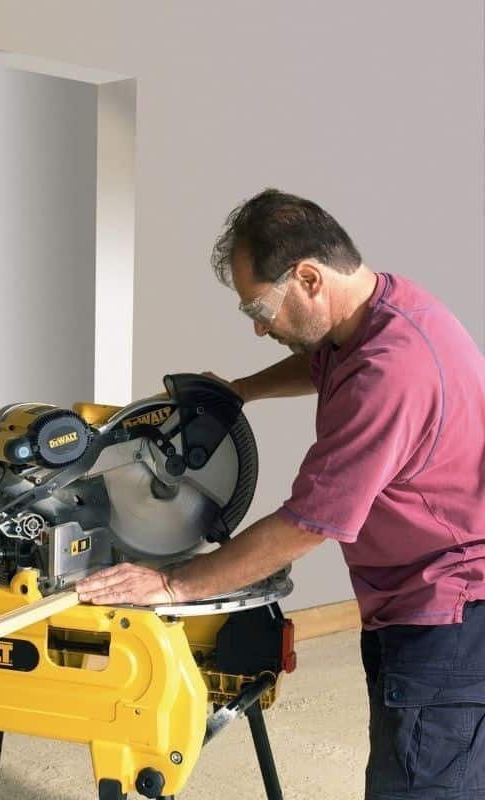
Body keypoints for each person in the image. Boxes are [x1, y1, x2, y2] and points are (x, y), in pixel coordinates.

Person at [76, 189, 485, 798]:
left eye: (260, 308)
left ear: (309, 278)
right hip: (423, 597)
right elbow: (321, 362)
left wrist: (175, 584)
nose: (260, 327)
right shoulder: (382, 311)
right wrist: (241, 390)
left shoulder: (389, 374)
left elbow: (308, 523)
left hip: (449, 614)